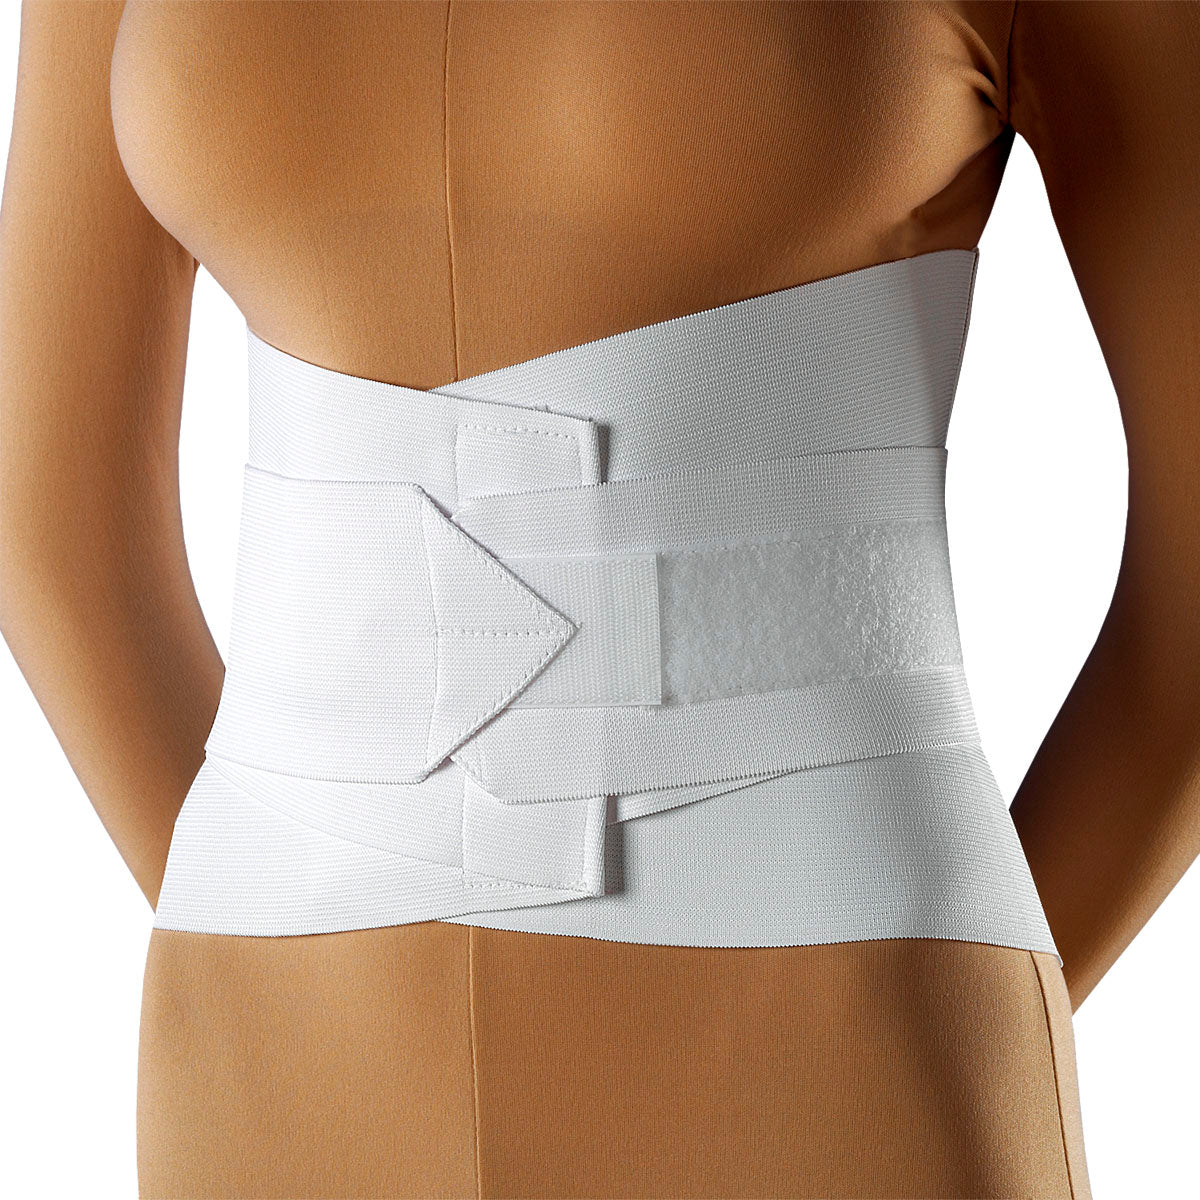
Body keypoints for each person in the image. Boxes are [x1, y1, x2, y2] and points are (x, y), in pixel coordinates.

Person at [1, 3, 1196, 1197]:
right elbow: (49, 530)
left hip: (827, 1055)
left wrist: (978, 973)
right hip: (275, 1076)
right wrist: (286, 886)